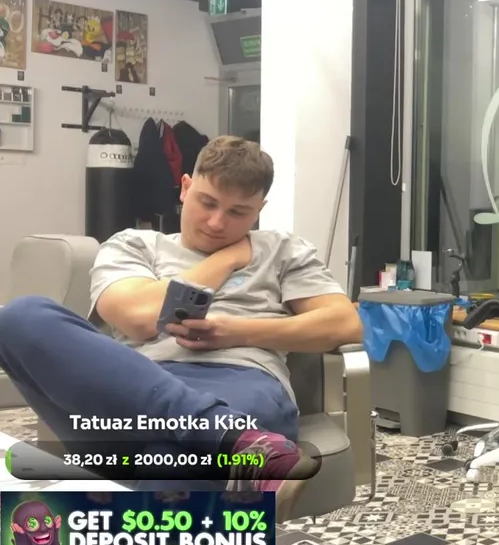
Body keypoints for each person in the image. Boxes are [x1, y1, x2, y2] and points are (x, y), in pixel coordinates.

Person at [0, 136, 363, 516]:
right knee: (20, 317)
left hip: (240, 380)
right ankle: (233, 437)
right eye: (207, 202)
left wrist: (236, 332)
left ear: (260, 210)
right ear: (186, 186)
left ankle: (212, 452)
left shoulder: (282, 250)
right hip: (131, 392)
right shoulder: (136, 245)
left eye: (238, 212)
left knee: (174, 465)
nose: (217, 223)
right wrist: (226, 260)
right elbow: (138, 319)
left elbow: (345, 324)